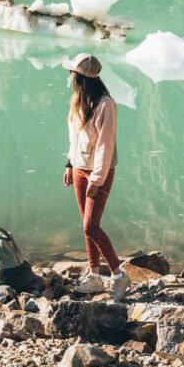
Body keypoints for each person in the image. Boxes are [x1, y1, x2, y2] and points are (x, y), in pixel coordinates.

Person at [62, 52, 130, 300]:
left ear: (81, 78)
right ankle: (94, 276)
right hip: (79, 168)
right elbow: (74, 136)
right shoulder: (78, 102)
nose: (70, 78)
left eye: (73, 75)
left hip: (97, 173)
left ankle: (119, 275)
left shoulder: (106, 105)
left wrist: (97, 179)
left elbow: (105, 145)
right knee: (86, 226)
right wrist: (69, 163)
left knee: (91, 225)